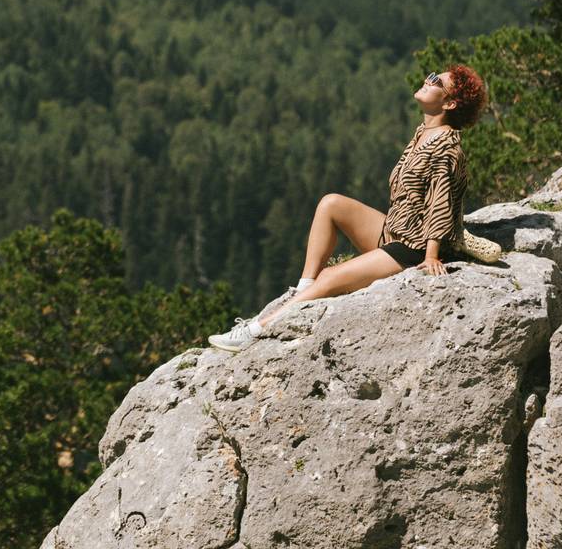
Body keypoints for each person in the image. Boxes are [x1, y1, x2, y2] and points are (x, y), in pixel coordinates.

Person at [207, 64, 487, 353]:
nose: (426, 81)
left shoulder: (446, 147)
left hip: (412, 248)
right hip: (394, 230)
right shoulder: (423, 133)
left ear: (450, 103)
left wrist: (431, 256)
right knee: (330, 204)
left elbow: (441, 201)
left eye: (435, 81)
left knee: (331, 276)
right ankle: (305, 291)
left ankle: (255, 331)